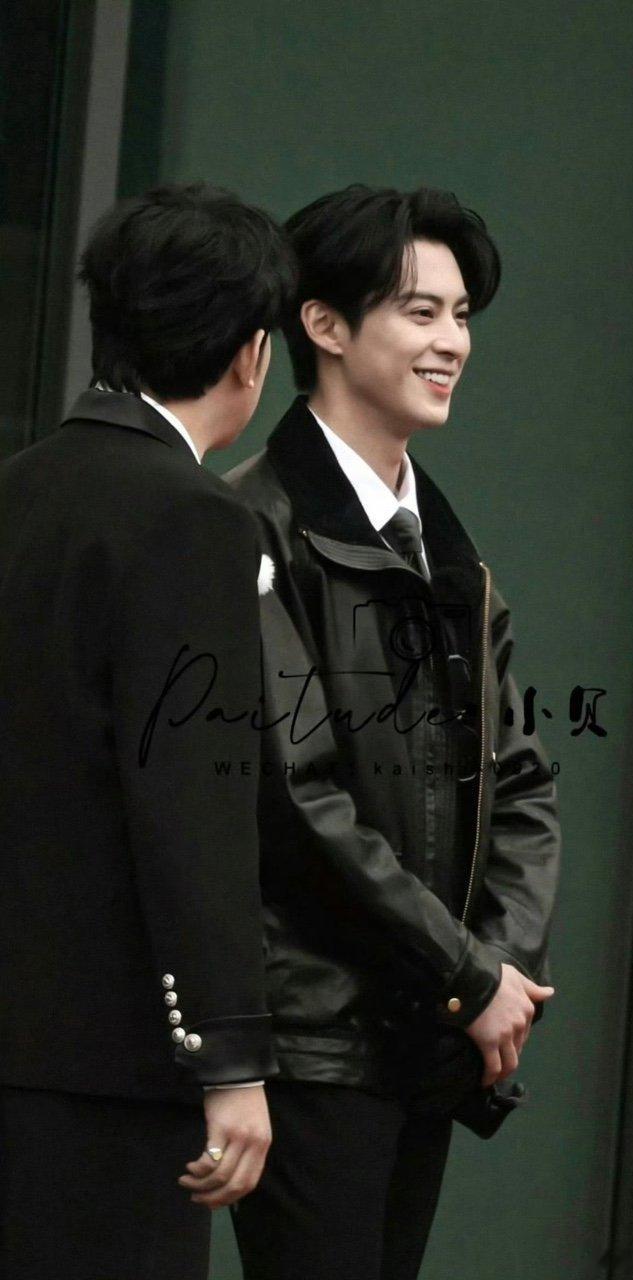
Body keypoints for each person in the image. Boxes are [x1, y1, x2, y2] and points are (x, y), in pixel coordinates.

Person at [225, 184, 561, 1280]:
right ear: (323, 324)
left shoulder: (451, 555)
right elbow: (294, 794)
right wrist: (468, 975)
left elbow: (522, 782)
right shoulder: (253, 526)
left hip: (429, 1033)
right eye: (420, 312)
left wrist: (498, 972)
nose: (452, 342)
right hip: (316, 1041)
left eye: (460, 315)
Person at [0, 182, 295, 1280]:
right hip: (108, 1070)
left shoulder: (15, 491)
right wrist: (230, 1054)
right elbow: (192, 802)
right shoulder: (194, 517)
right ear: (252, 354)